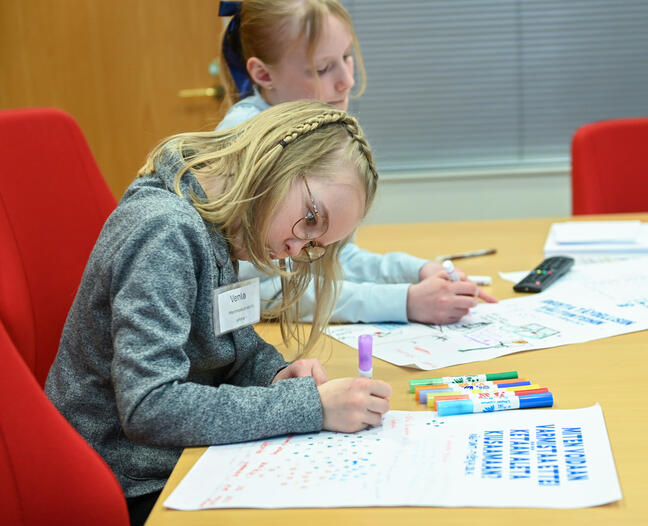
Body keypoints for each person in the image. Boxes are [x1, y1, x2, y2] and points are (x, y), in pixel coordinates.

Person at [45, 101, 391, 526]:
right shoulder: (167, 232)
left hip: (171, 462)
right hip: (124, 481)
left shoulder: (221, 227)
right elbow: (150, 405)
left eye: (315, 245)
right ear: (277, 159)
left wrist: (273, 374)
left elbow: (230, 343)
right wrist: (308, 407)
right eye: (311, 218)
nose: (297, 248)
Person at [216, 0, 497, 325]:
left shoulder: (313, 130)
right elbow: (255, 292)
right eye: (322, 68)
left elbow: (331, 255)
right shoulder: (248, 142)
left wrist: (415, 272)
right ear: (263, 74)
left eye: (347, 57)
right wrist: (404, 302)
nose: (347, 80)